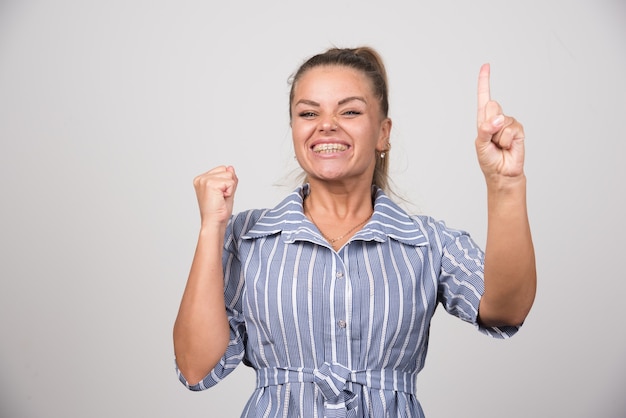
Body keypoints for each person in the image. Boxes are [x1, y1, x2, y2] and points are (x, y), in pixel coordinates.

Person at [173, 46, 536, 417]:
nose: (326, 124)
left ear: (383, 133)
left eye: (349, 111)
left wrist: (505, 184)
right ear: (295, 129)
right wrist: (210, 228)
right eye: (308, 113)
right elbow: (195, 366)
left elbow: (506, 310)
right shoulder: (247, 236)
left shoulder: (428, 243)